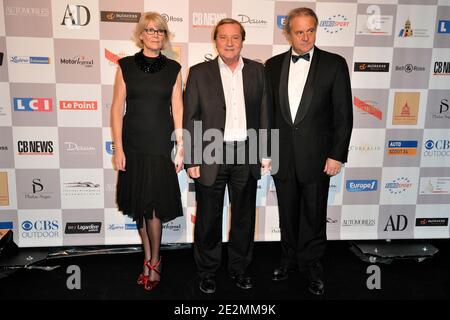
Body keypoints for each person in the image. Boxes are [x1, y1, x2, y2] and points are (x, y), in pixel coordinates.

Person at [265, 7, 353, 296]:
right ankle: (288, 260)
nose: (305, 37)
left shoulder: (334, 64)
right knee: (287, 214)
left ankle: (313, 266)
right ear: (288, 33)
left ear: (316, 29)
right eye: (299, 31)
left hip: (318, 157)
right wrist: (266, 151)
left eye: (310, 30)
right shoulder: (273, 65)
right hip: (282, 156)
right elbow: (267, 113)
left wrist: (337, 154)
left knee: (314, 216)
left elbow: (343, 114)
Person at [183, 18, 270, 294]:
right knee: (208, 217)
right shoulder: (198, 72)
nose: (229, 43)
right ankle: (207, 271)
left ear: (242, 40)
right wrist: (191, 158)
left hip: (247, 151)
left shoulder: (258, 71)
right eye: (223, 37)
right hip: (210, 152)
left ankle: (240, 268)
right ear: (215, 40)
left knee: (244, 217)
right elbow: (190, 117)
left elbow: (266, 113)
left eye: (235, 37)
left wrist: (266, 152)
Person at [111, 12, 184, 292]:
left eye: (160, 31)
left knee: (154, 207)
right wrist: (118, 148)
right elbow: (117, 108)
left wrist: (181, 146)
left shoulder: (174, 68)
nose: (155, 35)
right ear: (141, 34)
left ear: (165, 37)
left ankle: (155, 260)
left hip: (160, 145)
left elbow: (178, 109)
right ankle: (148, 257)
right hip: (134, 145)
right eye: (150, 30)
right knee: (141, 206)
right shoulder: (125, 66)